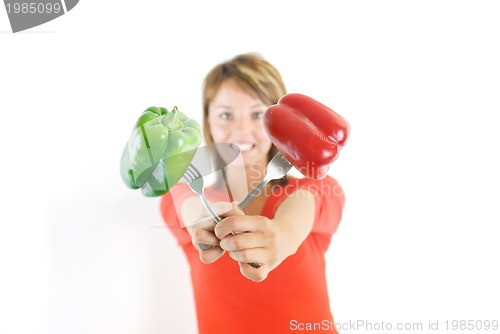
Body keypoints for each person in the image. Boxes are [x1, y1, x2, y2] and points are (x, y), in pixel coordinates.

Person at [160, 53, 345, 334]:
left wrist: (282, 235)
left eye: (258, 114)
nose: (242, 130)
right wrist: (202, 221)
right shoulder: (185, 194)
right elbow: (182, 200)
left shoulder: (314, 188)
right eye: (226, 115)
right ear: (208, 121)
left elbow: (306, 204)